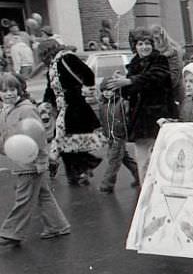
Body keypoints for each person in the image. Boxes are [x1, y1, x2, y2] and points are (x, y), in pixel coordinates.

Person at [0, 72, 71, 248]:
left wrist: (41, 160)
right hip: (18, 160)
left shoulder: (26, 109)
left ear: (20, 90)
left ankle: (11, 232)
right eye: (3, 90)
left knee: (23, 198)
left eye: (12, 89)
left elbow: (38, 136)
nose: (8, 94)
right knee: (42, 194)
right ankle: (57, 226)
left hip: (30, 162)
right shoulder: (6, 110)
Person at [107, 28, 173, 182]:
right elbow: (129, 93)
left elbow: (155, 77)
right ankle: (145, 193)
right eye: (140, 44)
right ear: (135, 46)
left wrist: (130, 81)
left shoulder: (160, 60)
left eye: (148, 43)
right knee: (142, 162)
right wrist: (121, 85)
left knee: (162, 160)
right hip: (140, 121)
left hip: (159, 117)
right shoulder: (134, 64)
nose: (145, 47)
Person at [39, 40, 104, 186]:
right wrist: (46, 103)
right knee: (65, 142)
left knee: (67, 142)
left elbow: (88, 74)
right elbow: (50, 88)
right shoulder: (52, 66)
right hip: (65, 109)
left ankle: (80, 170)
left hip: (76, 107)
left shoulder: (66, 58)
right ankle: (79, 171)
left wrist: (85, 90)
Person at [96, 79, 140, 193]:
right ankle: (139, 175)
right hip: (110, 136)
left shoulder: (121, 102)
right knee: (124, 158)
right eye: (104, 90)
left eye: (110, 90)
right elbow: (102, 120)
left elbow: (127, 118)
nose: (107, 93)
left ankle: (107, 184)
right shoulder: (103, 105)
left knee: (113, 160)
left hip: (119, 136)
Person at [150, 24, 184, 111]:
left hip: (173, 93)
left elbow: (174, 76)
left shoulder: (172, 52)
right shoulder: (152, 53)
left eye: (156, 39)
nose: (154, 43)